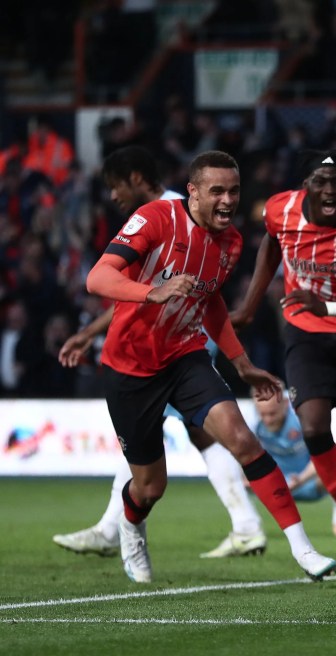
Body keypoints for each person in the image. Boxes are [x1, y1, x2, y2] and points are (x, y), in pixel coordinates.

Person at [85, 150, 336, 583]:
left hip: (185, 357)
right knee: (149, 488)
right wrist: (151, 293)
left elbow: (211, 301)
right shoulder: (156, 218)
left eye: (234, 190)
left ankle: (304, 550)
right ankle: (131, 526)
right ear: (194, 192)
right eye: (217, 191)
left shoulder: (232, 243)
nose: (227, 200)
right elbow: (98, 277)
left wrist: (242, 363)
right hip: (130, 368)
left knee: (243, 440)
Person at [53, 145, 268, 560]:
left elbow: (180, 292)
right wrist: (91, 331)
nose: (114, 197)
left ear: (136, 179)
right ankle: (244, 524)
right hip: (162, 341)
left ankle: (116, 529)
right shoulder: (163, 214)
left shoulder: (176, 212)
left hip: (173, 348)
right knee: (190, 437)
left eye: (117, 186)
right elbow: (146, 292)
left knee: (159, 442)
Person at [230, 149, 336, 576]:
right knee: (313, 430)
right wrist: (250, 306)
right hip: (304, 334)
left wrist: (330, 306)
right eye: (319, 182)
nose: (328, 191)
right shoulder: (278, 210)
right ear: (304, 183)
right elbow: (272, 242)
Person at [253, 392, 336, 540]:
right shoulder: (256, 428)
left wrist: (300, 480)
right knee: (237, 477)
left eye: (272, 413)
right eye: (262, 414)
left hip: (306, 482)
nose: (267, 420)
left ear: (285, 404)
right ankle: (251, 529)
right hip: (276, 487)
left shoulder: (304, 422)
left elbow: (324, 458)